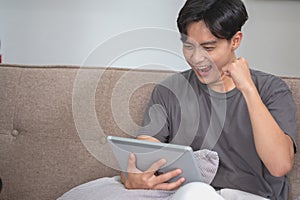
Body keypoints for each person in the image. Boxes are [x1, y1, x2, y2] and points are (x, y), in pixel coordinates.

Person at [120, 0, 297, 200]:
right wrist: (131, 176)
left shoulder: (271, 90)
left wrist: (248, 89)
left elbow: (280, 165)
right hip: (189, 193)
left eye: (208, 47)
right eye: (188, 46)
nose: (196, 58)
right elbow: (140, 156)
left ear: (235, 40)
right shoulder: (169, 91)